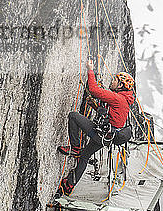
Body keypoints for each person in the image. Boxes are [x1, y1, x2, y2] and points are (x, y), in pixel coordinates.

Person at [56, 59, 135, 197]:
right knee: (84, 157)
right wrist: (95, 106)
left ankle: (75, 148)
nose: (112, 82)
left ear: (121, 85)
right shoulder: (124, 100)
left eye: (115, 80)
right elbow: (111, 117)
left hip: (101, 134)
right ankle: (69, 185)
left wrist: (90, 69)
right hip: (106, 138)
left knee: (73, 116)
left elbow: (93, 89)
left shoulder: (118, 98)